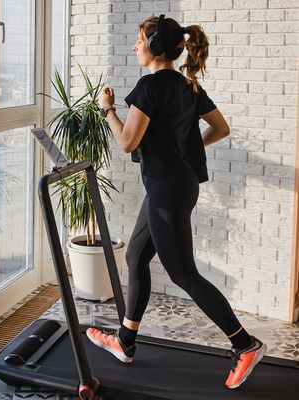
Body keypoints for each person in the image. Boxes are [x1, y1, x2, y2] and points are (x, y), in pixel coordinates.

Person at [85, 14, 267, 390]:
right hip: (173, 187)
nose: (135, 47)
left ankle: (245, 344)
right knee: (136, 257)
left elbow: (127, 143)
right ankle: (125, 342)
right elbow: (221, 128)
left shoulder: (149, 87)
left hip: (166, 189)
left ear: (154, 47)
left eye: (139, 41)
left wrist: (108, 110)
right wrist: (184, 146)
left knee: (183, 273)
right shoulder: (188, 85)